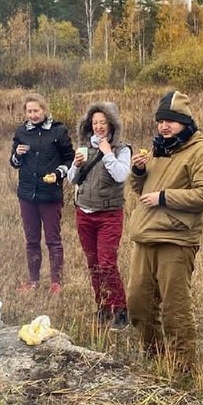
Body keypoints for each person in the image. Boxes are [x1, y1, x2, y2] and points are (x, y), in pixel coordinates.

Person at [127, 90, 203, 372]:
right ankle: (153, 353)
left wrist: (165, 197)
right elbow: (142, 190)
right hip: (145, 235)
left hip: (176, 239)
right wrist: (139, 173)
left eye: (171, 121)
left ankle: (182, 365)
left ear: (185, 122)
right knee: (138, 302)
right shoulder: (158, 149)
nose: (164, 126)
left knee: (174, 307)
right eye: (160, 121)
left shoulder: (200, 152)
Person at [67, 102, 132, 329]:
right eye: (95, 123)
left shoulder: (122, 149)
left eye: (103, 122)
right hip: (84, 213)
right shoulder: (84, 146)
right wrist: (75, 165)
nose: (98, 127)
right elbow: (72, 179)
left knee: (107, 264)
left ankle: (120, 309)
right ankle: (103, 307)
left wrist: (107, 154)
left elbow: (121, 175)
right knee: (93, 264)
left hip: (109, 215)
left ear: (111, 123)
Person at [9, 93, 74, 294]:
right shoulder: (21, 131)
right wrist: (17, 155)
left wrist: (57, 174)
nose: (33, 115)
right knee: (31, 239)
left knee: (53, 239)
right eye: (29, 111)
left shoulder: (58, 131)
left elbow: (70, 160)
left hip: (50, 193)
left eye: (36, 110)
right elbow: (13, 163)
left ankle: (56, 282)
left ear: (44, 110)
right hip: (27, 193)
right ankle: (34, 281)